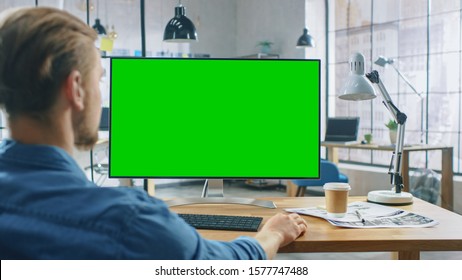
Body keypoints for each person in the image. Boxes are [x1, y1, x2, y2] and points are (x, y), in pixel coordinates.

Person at [0, 7, 307, 260]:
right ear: (76, 89)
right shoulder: (128, 220)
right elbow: (221, 266)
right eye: (99, 80)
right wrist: (274, 234)